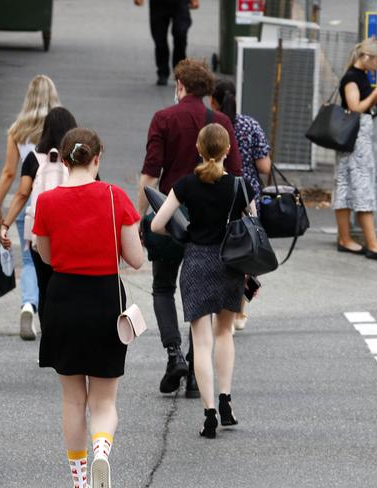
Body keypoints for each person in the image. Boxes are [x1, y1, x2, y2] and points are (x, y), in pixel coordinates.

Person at [34, 128, 144, 488]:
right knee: (104, 400)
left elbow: (46, 255)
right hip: (105, 299)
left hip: (63, 298)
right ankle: (101, 451)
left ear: (63, 160)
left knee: (72, 399)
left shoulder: (48, 202)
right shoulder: (115, 197)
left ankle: (80, 480)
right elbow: (136, 259)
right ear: (98, 158)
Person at [138, 59, 242, 397]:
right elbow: (236, 175)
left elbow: (151, 174)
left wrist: (142, 218)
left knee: (163, 287)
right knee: (206, 298)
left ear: (180, 84)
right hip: (211, 223)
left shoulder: (164, 118)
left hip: (171, 213)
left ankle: (173, 355)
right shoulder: (221, 121)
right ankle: (198, 370)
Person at [151, 123, 253, 439]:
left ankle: (208, 413)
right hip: (228, 264)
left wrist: (182, 232)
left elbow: (156, 224)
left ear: (198, 148)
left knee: (202, 339)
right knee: (225, 333)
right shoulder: (239, 186)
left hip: (195, 262)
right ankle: (226, 400)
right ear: (226, 151)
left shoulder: (185, 185)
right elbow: (252, 224)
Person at [0, 106, 77, 323]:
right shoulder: (78, 157)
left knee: (45, 288)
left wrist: (5, 224)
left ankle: (48, 345)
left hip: (40, 234)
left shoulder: (34, 158)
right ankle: (66, 339)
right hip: (72, 232)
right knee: (70, 288)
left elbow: (23, 192)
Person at [0, 74, 60, 340]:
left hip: (29, 204)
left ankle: (27, 305)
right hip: (59, 203)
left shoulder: (17, 130)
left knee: (30, 261)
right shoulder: (61, 128)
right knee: (56, 261)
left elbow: (10, 172)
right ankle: (54, 314)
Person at [211, 79, 271, 330]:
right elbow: (264, 166)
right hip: (247, 197)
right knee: (245, 251)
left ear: (213, 100)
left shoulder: (212, 127)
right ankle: (240, 311)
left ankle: (220, 309)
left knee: (219, 252)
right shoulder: (250, 124)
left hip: (216, 194)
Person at [333, 38, 377, 262]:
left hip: (351, 140)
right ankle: (372, 244)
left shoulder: (356, 76)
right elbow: (355, 107)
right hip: (356, 141)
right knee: (362, 187)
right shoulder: (352, 78)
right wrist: (375, 95)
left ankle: (345, 239)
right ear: (366, 57)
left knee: (345, 187)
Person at [134, 0, 199, 86]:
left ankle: (180, 71)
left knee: (180, 33)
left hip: (180, 3)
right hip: (158, 4)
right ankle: (162, 72)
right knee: (159, 38)